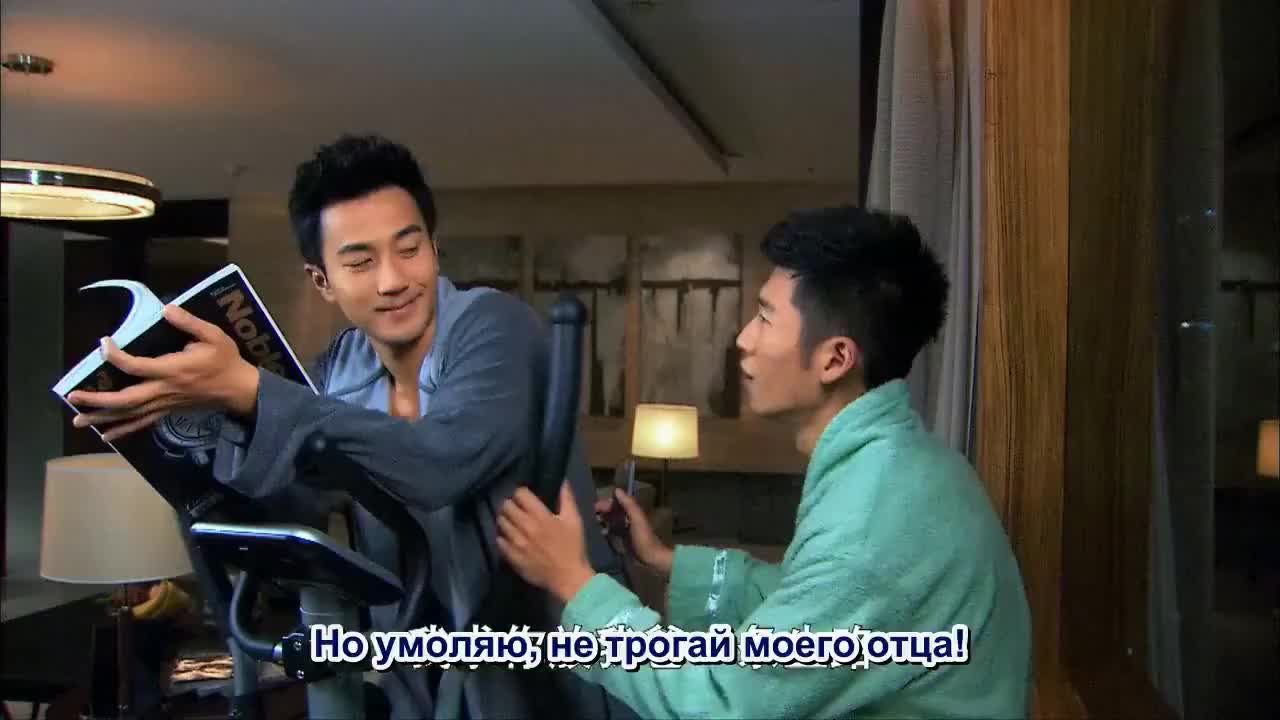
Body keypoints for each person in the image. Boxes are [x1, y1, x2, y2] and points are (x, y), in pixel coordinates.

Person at [67, 134, 633, 720]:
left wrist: (251, 390)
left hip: (561, 672)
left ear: (434, 249)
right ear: (322, 281)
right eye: (360, 262)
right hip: (422, 676)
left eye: (409, 250)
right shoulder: (339, 367)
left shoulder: (496, 326)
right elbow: (303, 503)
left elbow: (439, 464)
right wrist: (209, 428)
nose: (392, 280)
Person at [495, 206, 1033, 718]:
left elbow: (727, 703)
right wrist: (664, 560)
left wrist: (575, 583)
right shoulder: (900, 469)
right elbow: (802, 599)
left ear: (835, 358)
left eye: (765, 317)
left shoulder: (871, 522)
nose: (743, 339)